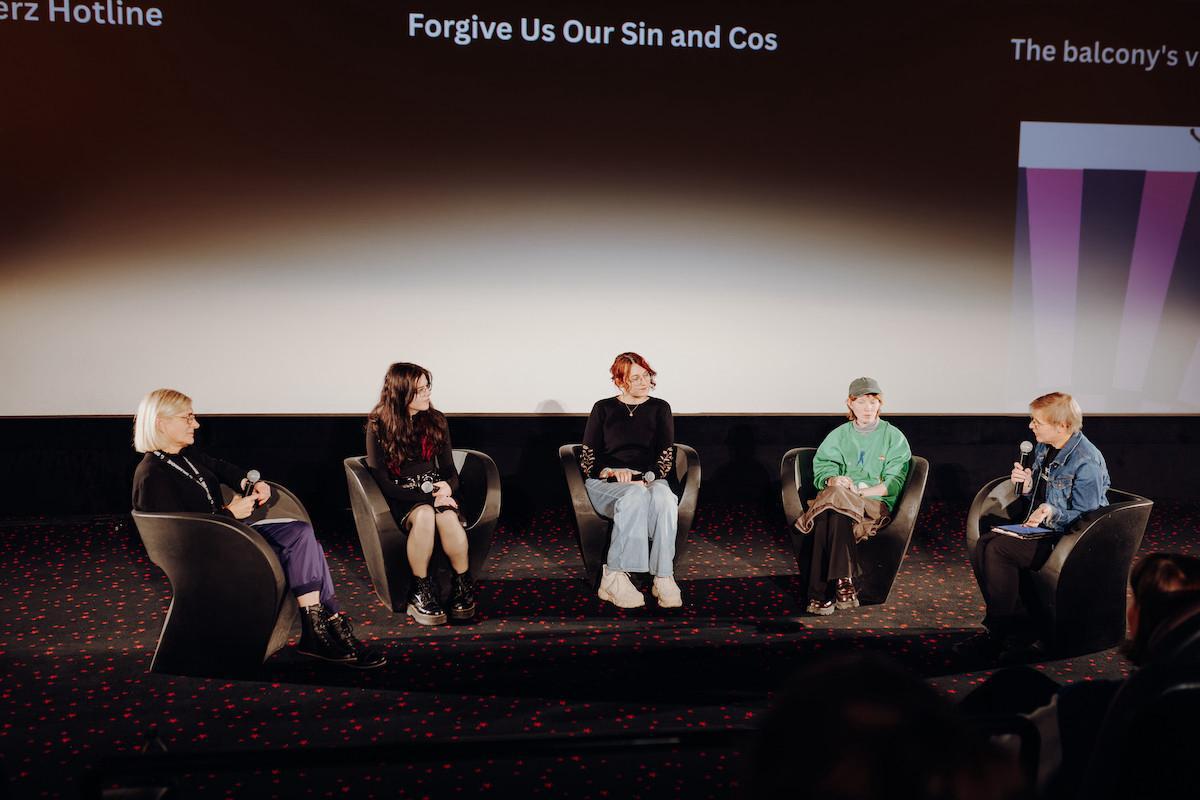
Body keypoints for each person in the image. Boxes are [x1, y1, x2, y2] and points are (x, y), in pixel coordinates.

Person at [131, 388, 386, 669]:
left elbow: (220, 467)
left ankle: (322, 628)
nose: (196, 424)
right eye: (187, 417)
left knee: (302, 535)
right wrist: (229, 513)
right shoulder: (152, 475)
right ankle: (326, 627)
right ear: (161, 423)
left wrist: (248, 482)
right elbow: (179, 538)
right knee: (303, 544)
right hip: (210, 552)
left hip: (230, 535)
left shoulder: (185, 455)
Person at [960, 552, 1200, 799]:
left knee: (1010, 686)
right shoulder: (1164, 699)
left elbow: (996, 767)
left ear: (1136, 616)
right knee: (1019, 681)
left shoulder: (1098, 705)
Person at [958, 392, 1110, 662]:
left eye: (1037, 422)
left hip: (1068, 539)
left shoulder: (1086, 461)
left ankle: (999, 633)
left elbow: (1088, 517)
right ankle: (1020, 625)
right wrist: (1028, 487)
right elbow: (1040, 495)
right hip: (1042, 529)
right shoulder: (1044, 447)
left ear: (1062, 426)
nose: (1031, 426)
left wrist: (1051, 512)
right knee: (985, 542)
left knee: (998, 549)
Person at [366, 362, 475, 626]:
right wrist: (429, 499)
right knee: (426, 515)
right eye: (420, 390)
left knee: (448, 518)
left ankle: (462, 585)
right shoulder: (379, 424)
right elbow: (382, 482)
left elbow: (449, 470)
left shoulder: (436, 420)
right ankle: (420, 590)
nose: (427, 394)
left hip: (434, 491)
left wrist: (448, 487)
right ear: (401, 393)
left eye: (428, 387)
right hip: (402, 497)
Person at [794, 377, 911, 615]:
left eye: (873, 402)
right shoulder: (839, 435)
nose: (868, 408)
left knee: (828, 510)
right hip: (839, 502)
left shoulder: (894, 437)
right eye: (861, 402)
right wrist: (833, 480)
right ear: (850, 404)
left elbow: (892, 485)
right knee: (835, 510)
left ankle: (819, 595)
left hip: (872, 504)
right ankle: (843, 581)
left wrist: (858, 491)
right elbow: (823, 469)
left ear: (880, 404)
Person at [580, 352, 682, 609]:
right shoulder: (603, 408)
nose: (643, 381)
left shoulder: (660, 408)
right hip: (607, 483)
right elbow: (588, 460)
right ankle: (613, 576)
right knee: (633, 495)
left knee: (665, 498)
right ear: (619, 381)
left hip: (648, 479)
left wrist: (643, 477)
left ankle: (664, 575)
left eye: (646, 375)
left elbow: (665, 458)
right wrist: (611, 471)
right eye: (635, 378)